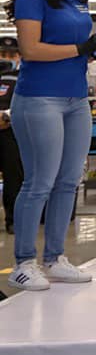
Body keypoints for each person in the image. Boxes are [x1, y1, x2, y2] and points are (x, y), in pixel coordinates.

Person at [4, 0, 96, 291]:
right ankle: (24, 261)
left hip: (76, 99)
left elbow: (78, 42)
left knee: (69, 180)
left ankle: (55, 257)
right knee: (39, 182)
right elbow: (31, 49)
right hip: (40, 99)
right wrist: (82, 48)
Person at [0, 36, 23, 235]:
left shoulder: (26, 76)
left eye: (11, 54)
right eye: (3, 54)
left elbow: (29, 104)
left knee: (13, 178)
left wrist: (5, 116)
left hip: (11, 132)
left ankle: (12, 220)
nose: (7, 58)